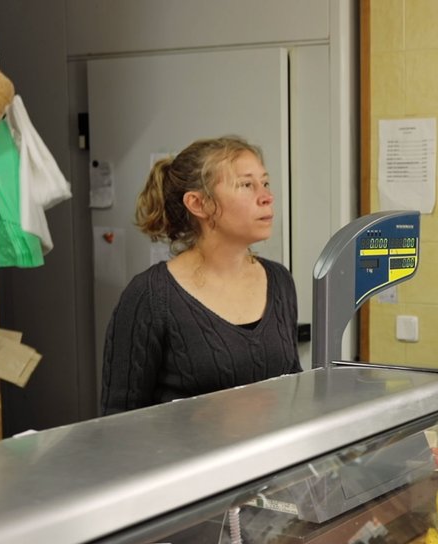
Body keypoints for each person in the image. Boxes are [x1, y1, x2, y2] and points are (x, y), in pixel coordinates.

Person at [101, 136, 301, 416]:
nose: (267, 196)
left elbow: (292, 388)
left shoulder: (279, 280)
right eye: (246, 185)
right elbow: (117, 420)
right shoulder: (151, 295)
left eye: (265, 183)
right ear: (199, 204)